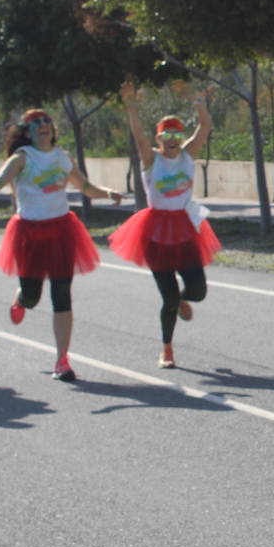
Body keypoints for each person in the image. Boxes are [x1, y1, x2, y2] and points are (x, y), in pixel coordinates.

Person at [0, 108, 124, 381]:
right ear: (27, 131)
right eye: (36, 122)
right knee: (33, 294)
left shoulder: (62, 157)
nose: (44, 125)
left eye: (47, 121)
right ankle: (22, 298)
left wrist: (107, 193)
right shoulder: (22, 158)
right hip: (30, 231)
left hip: (62, 229)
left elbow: (84, 186)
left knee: (62, 292)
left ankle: (62, 360)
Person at [108, 82, 219, 369]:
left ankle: (184, 300)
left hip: (184, 228)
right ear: (159, 139)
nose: (171, 138)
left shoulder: (187, 155)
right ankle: (167, 349)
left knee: (198, 291)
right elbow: (137, 136)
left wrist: (198, 101)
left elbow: (204, 127)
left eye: (175, 133)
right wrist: (132, 107)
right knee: (167, 297)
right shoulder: (151, 160)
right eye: (165, 134)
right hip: (155, 231)